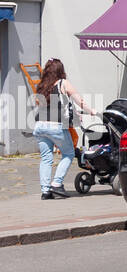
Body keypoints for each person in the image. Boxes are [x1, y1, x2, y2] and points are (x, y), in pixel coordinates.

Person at [32, 59, 96, 200]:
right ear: (60, 70)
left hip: (40, 125)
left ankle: (45, 191)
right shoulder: (62, 83)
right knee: (69, 153)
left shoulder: (42, 85)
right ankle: (57, 183)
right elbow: (79, 99)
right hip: (56, 126)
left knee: (46, 158)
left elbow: (44, 105)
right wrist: (91, 110)